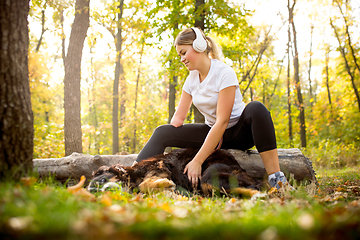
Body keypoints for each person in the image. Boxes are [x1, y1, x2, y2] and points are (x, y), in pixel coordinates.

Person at [134, 27, 291, 190]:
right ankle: (129, 174)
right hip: (213, 133)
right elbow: (178, 120)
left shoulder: (224, 73)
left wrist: (197, 161)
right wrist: (172, 134)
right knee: (162, 132)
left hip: (238, 133)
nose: (182, 59)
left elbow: (222, 122)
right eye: (179, 55)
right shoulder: (191, 80)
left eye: (183, 52)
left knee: (256, 108)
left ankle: (277, 180)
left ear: (199, 47)